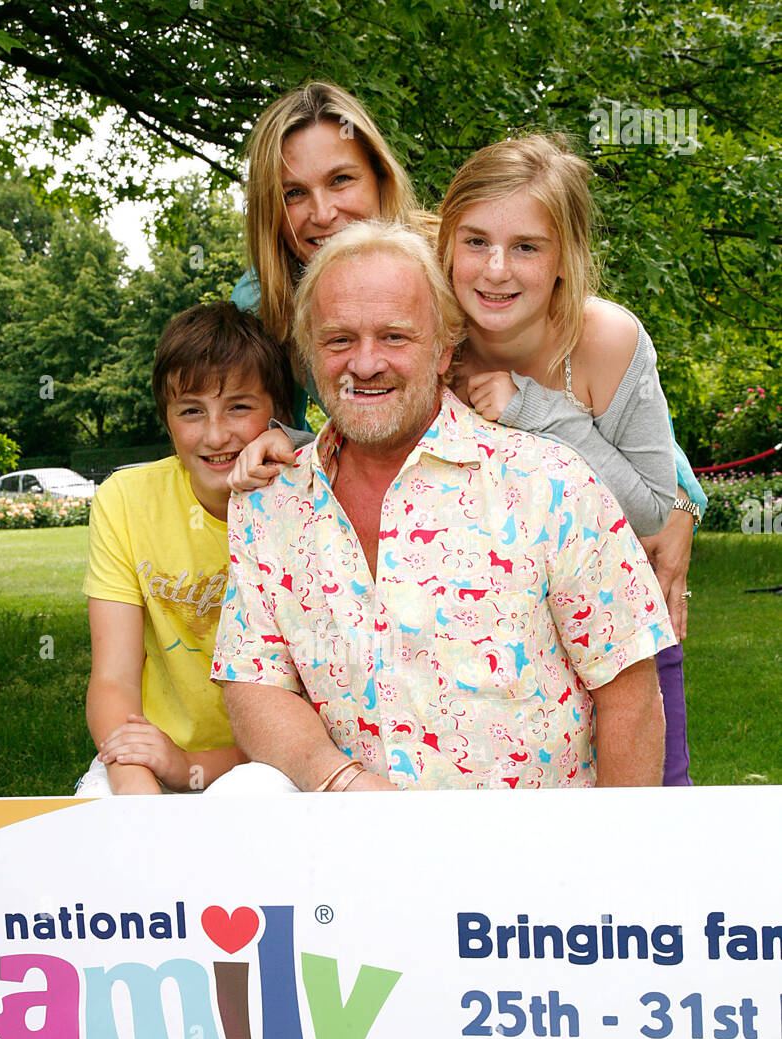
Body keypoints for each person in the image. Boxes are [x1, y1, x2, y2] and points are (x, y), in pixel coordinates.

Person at [210, 221, 676, 794]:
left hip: (534, 868)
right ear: (311, 351)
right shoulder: (269, 504)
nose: (365, 363)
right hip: (355, 862)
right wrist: (340, 783)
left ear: (443, 349)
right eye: (338, 340)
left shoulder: (550, 484)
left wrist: (602, 871)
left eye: (395, 337)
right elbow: (253, 682)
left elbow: (629, 696)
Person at [435, 134, 707, 785]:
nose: (495, 269)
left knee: (647, 821)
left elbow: (648, 507)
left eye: (526, 247)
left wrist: (534, 407)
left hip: (619, 635)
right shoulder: (426, 330)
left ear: (564, 257)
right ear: (444, 241)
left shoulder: (606, 339)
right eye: (474, 241)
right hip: (485, 646)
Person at [74, 301, 296, 796]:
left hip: (268, 763)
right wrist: (138, 781)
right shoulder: (126, 501)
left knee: (251, 803)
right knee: (101, 823)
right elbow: (113, 679)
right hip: (148, 749)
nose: (216, 435)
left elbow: (313, 715)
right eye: (191, 411)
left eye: (239, 406)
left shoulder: (303, 504)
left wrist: (191, 765)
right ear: (167, 419)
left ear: (278, 414)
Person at [230, 81, 421, 430]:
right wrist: (290, 444)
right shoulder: (260, 300)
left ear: (381, 177)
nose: (322, 214)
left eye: (341, 180)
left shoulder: (458, 257)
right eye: (294, 193)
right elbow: (273, 431)